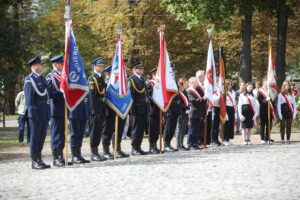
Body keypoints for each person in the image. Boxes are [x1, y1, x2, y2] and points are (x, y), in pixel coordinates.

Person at [24, 56, 51, 169]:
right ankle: (34, 161)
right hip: (36, 111)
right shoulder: (29, 79)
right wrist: (32, 112)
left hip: (44, 110)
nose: (42, 66)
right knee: (35, 137)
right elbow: (29, 98)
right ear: (34, 66)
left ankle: (39, 158)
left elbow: (47, 94)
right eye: (41, 64)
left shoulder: (42, 78)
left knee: (41, 136)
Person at [102, 65, 129, 159]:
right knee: (107, 130)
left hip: (119, 109)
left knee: (119, 129)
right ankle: (106, 150)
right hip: (109, 110)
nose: (117, 74)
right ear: (107, 73)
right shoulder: (104, 82)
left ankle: (117, 149)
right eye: (115, 73)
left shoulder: (120, 82)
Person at [46, 55, 67, 167]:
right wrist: (61, 92)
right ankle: (56, 158)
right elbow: (48, 94)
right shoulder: (50, 77)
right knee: (56, 134)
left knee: (62, 134)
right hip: (55, 108)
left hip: (63, 108)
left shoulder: (64, 76)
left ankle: (61, 155)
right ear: (55, 64)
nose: (63, 65)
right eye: (61, 63)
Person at [87, 57, 107, 162]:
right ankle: (93, 153)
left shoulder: (101, 78)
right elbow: (91, 96)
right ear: (95, 67)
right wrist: (93, 110)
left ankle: (97, 152)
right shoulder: (92, 79)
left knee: (99, 131)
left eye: (102, 66)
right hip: (95, 109)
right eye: (100, 66)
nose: (102, 67)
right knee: (94, 131)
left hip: (101, 107)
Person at [129, 61, 148, 155]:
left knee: (141, 128)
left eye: (142, 68)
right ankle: (134, 148)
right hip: (136, 107)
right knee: (136, 128)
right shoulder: (131, 80)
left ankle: (139, 146)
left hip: (143, 107)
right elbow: (131, 96)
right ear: (134, 70)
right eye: (139, 68)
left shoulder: (142, 79)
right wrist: (132, 110)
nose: (141, 70)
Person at [163, 65, 180, 152]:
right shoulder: (167, 81)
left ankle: (169, 143)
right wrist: (167, 109)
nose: (174, 72)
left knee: (173, 126)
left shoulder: (174, 81)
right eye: (172, 71)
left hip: (176, 106)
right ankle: (166, 144)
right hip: (169, 106)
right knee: (168, 126)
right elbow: (166, 96)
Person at [257, 79, 276, 144]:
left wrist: (273, 107)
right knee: (262, 125)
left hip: (270, 111)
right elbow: (260, 101)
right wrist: (266, 100)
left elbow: (273, 101)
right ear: (263, 83)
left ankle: (268, 139)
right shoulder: (260, 91)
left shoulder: (270, 91)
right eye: (266, 83)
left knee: (269, 125)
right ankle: (262, 139)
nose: (268, 84)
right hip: (263, 111)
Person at [187, 77, 204, 150]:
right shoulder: (189, 91)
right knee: (192, 129)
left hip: (198, 112)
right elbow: (193, 101)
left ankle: (195, 143)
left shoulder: (195, 90)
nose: (197, 83)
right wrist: (202, 98)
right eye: (196, 82)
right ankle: (190, 144)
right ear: (192, 83)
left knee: (196, 129)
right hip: (193, 112)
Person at [146, 67, 160, 154]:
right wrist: (155, 101)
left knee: (157, 128)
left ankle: (155, 144)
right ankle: (151, 146)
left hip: (158, 108)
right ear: (153, 74)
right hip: (152, 108)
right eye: (157, 73)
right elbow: (148, 95)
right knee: (152, 128)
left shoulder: (159, 83)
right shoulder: (150, 83)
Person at [195, 70, 210, 147]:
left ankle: (202, 141)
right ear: (199, 77)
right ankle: (198, 142)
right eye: (203, 75)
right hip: (198, 108)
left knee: (203, 125)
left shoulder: (204, 85)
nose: (204, 77)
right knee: (199, 126)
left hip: (204, 108)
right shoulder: (196, 86)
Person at [176, 78, 189, 151]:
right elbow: (179, 103)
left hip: (186, 112)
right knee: (179, 130)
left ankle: (181, 144)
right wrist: (185, 107)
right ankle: (178, 145)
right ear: (182, 84)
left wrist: (188, 107)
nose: (187, 84)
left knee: (183, 129)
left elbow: (187, 101)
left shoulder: (185, 92)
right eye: (185, 83)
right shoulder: (179, 92)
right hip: (180, 112)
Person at [223, 79, 236, 145]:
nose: (230, 85)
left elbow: (234, 101)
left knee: (231, 124)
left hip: (232, 108)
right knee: (226, 124)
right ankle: (225, 139)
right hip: (226, 108)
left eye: (231, 84)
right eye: (229, 84)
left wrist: (235, 109)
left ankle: (229, 139)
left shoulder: (233, 92)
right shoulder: (224, 92)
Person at [212, 78, 222, 146]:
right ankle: (213, 140)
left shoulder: (220, 90)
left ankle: (216, 139)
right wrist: (220, 96)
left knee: (217, 125)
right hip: (214, 108)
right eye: (219, 82)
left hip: (219, 108)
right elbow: (213, 100)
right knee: (214, 125)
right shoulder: (214, 90)